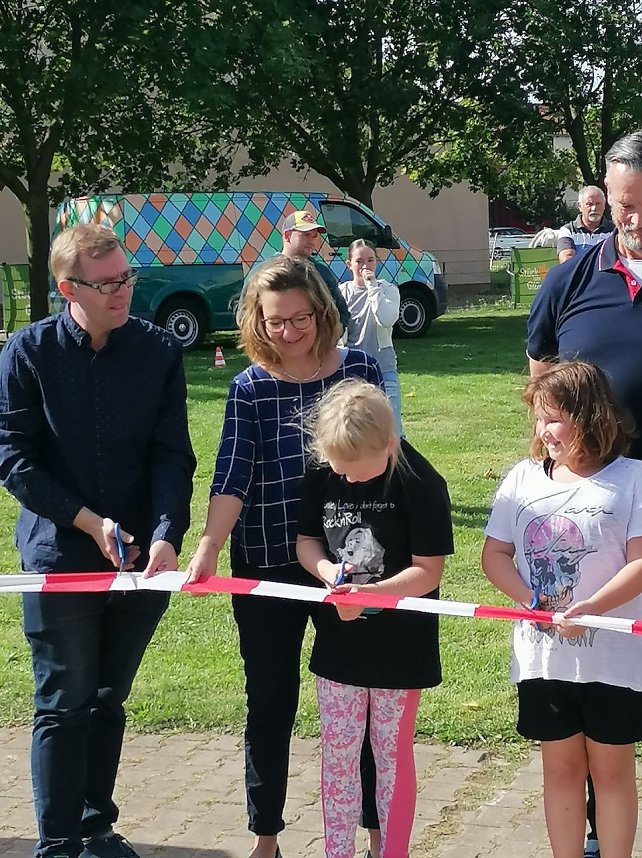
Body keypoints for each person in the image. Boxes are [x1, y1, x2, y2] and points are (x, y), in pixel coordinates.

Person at [0, 224, 196, 858]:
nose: (122, 291)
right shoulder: (27, 353)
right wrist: (87, 521)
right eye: (107, 283)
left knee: (109, 697)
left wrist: (166, 534)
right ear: (68, 289)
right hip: (60, 557)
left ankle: (95, 828)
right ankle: (56, 845)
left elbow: (173, 454)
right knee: (64, 701)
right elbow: (14, 460)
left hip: (141, 562)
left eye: (126, 278)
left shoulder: (158, 350)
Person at [185, 256, 382, 858]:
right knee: (270, 699)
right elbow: (232, 476)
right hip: (265, 561)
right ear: (257, 321)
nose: (289, 332)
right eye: (275, 322)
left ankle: (376, 829)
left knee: (360, 699)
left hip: (348, 563)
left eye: (300, 318)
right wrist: (209, 547)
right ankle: (266, 835)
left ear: (321, 312)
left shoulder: (359, 370)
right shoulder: (250, 387)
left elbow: (385, 461)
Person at [528, 130, 642, 856]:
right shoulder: (570, 279)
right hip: (599, 515)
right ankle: (601, 833)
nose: (633, 218)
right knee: (603, 681)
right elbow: (541, 377)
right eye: (625, 204)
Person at [482, 361, 642, 858]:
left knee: (612, 771)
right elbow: (495, 555)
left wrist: (592, 607)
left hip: (614, 662)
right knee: (561, 769)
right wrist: (529, 600)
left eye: (553, 419)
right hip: (545, 660)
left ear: (591, 416)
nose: (543, 431)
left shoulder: (633, 479)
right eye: (538, 418)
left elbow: (640, 563)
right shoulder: (522, 479)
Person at [296, 379, 453, 858]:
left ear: (387, 444)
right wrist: (328, 572)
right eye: (337, 469)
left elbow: (427, 572)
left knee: (392, 755)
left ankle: (393, 851)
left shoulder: (420, 482)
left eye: (355, 472)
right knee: (338, 756)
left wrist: (370, 596)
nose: (345, 479)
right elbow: (307, 542)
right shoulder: (325, 471)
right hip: (338, 646)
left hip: (400, 650)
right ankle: (338, 852)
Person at [338, 239, 402, 436]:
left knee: (392, 432)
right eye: (359, 261)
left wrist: (372, 287)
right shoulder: (341, 293)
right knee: (354, 433)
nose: (365, 266)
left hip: (383, 369)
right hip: (351, 372)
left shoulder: (388, 290)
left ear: (377, 262)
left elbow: (386, 319)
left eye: (370, 260)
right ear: (349, 264)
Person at [556, 186, 615, 264]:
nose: (594, 208)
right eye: (589, 204)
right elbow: (567, 262)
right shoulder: (568, 231)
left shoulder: (614, 231)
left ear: (604, 205)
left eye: (598, 204)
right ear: (580, 206)